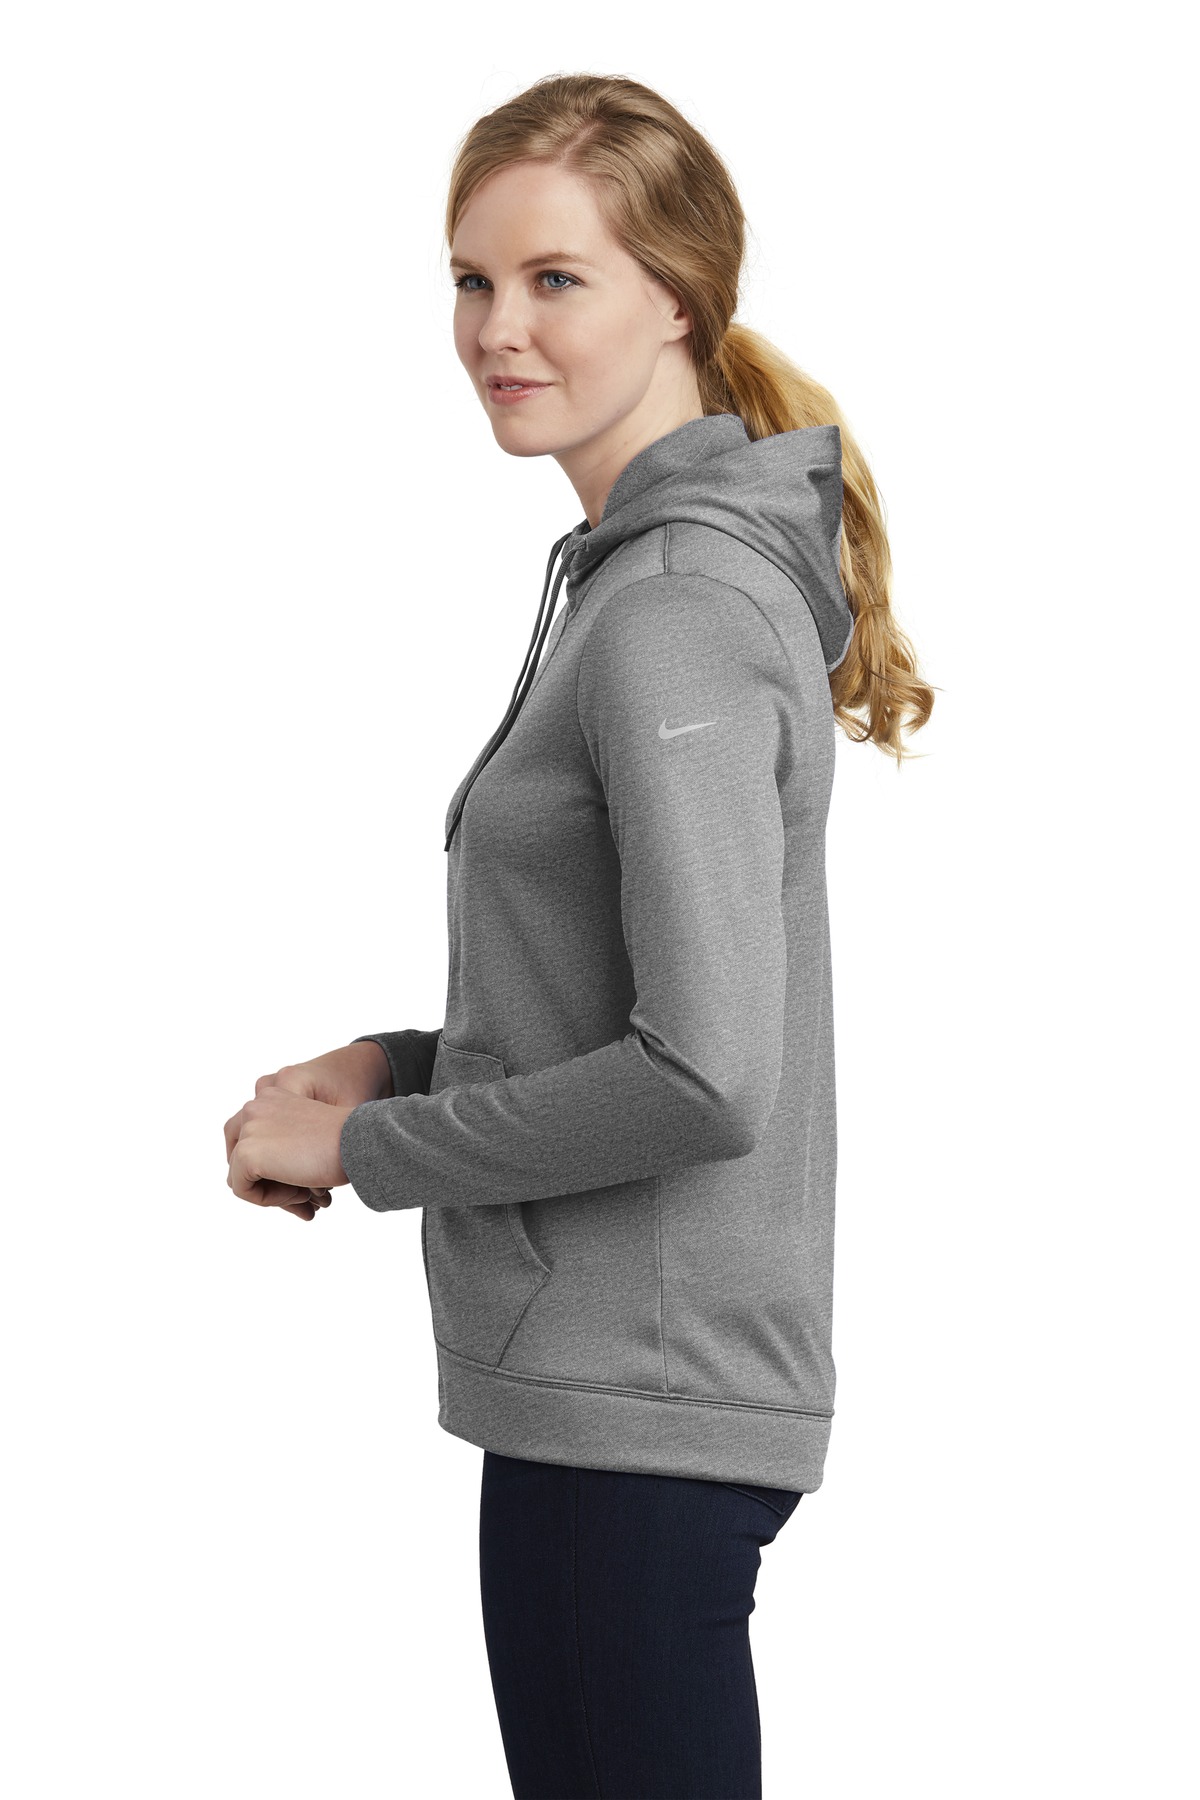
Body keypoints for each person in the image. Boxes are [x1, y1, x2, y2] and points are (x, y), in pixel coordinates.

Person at [225, 72, 933, 1800]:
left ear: (676, 297)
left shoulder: (675, 609)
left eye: (556, 279)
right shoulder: (636, 582)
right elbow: (632, 998)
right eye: (472, 281)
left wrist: (369, 1150)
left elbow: (704, 1074)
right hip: (616, 1403)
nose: (497, 329)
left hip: (639, 1414)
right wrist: (389, 1063)